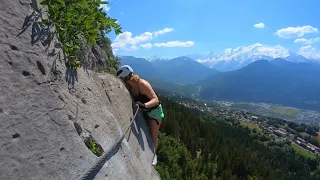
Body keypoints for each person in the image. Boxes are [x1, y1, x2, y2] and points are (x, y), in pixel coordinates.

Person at [116, 65, 164, 166]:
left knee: (153, 136)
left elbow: (155, 99)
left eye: (121, 79)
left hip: (154, 113)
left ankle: (154, 155)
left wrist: (145, 105)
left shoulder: (142, 84)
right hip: (145, 111)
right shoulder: (130, 87)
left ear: (126, 78)